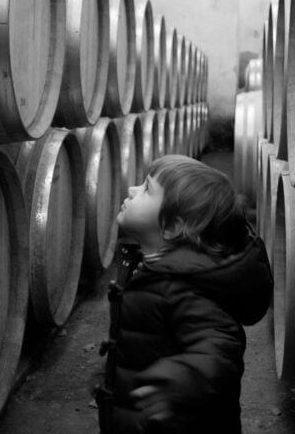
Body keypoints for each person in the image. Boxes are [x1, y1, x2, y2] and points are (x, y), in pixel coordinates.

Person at [94, 154, 273, 434]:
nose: (131, 190)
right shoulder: (152, 268)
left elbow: (220, 352)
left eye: (146, 189)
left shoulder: (186, 290)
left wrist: (181, 380)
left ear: (173, 227)